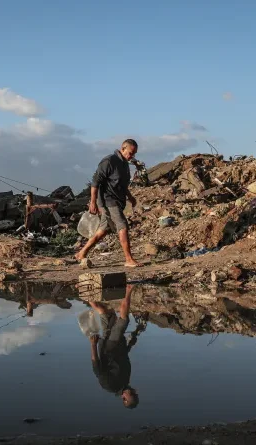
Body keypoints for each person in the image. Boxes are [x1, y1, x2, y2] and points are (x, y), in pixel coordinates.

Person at [75, 139, 143, 267]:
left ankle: (81, 253)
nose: (132, 156)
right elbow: (95, 182)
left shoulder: (124, 164)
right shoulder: (109, 161)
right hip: (108, 200)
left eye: (134, 154)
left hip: (117, 200)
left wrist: (130, 197)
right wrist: (93, 202)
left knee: (103, 230)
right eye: (130, 153)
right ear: (123, 149)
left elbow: (122, 185)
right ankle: (128, 259)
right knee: (122, 226)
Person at [88, 284, 147, 409]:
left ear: (124, 398)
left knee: (123, 320)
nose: (135, 391)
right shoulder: (125, 381)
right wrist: (130, 344)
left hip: (109, 346)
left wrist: (93, 345)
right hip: (115, 344)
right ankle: (84, 290)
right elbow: (123, 357)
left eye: (132, 395)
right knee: (105, 312)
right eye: (136, 394)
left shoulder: (110, 386)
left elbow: (96, 369)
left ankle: (128, 289)